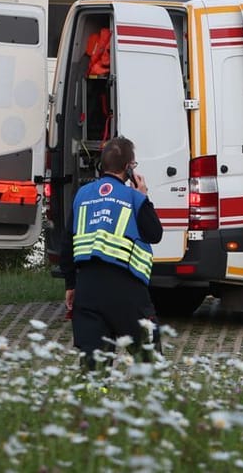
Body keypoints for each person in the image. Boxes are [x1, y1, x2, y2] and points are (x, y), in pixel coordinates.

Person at [68, 138, 162, 367]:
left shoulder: (81, 195)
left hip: (87, 289)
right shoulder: (133, 197)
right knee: (147, 359)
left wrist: (71, 285)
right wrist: (143, 196)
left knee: (93, 365)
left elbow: (66, 243)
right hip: (126, 291)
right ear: (129, 167)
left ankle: (93, 399)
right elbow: (154, 234)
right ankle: (148, 399)